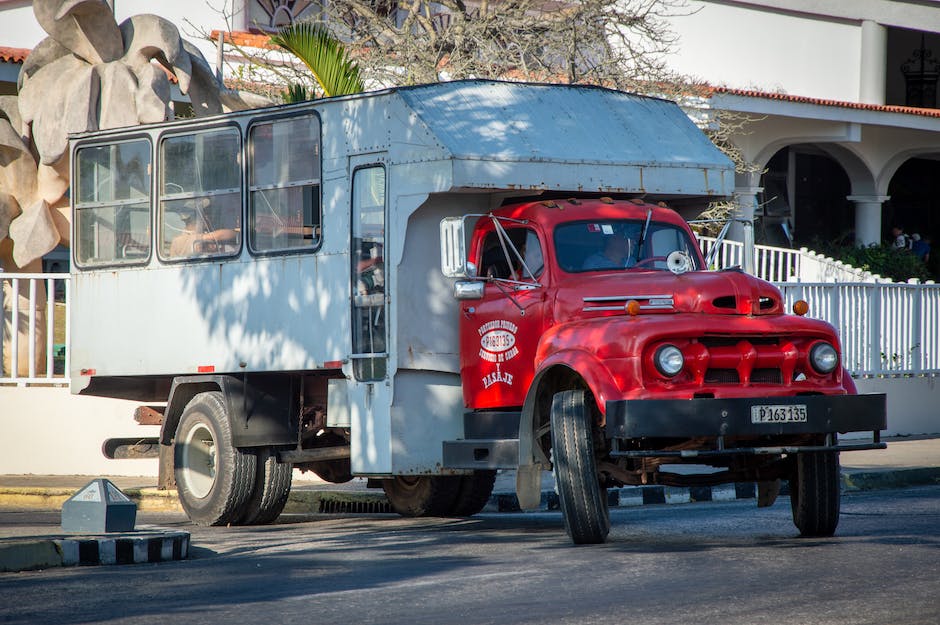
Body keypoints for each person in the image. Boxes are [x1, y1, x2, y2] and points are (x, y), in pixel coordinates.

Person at [169, 201, 238, 257]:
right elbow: (221, 236)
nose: (207, 218)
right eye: (203, 214)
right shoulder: (181, 240)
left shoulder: (176, 241)